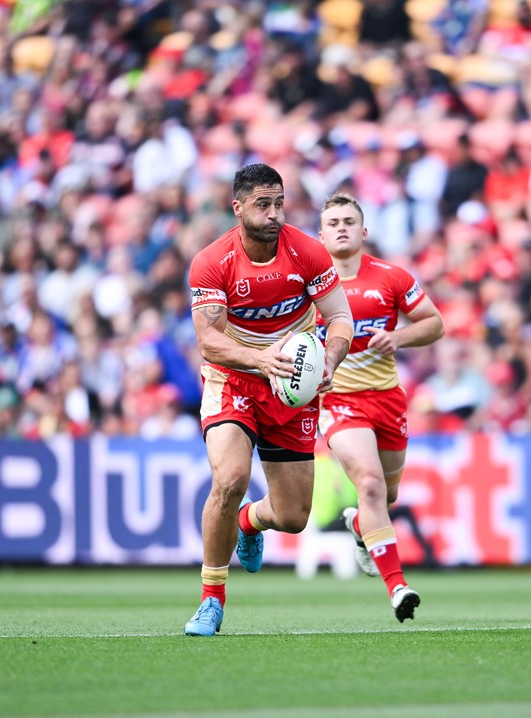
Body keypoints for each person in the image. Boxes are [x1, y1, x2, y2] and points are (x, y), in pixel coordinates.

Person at [183, 164, 354, 637]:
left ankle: (249, 522)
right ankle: (212, 600)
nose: (274, 213)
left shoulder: (308, 252)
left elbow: (340, 317)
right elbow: (208, 341)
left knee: (295, 517)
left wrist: (332, 361)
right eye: (263, 204)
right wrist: (260, 359)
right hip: (233, 381)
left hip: (291, 388)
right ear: (237, 207)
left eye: (279, 202)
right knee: (231, 476)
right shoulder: (213, 261)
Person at [316, 193, 444, 622]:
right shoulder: (306, 288)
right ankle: (398, 587)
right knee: (369, 484)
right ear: (320, 234)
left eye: (349, 221)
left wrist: (400, 338)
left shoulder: (391, 277)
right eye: (332, 222)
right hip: (338, 401)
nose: (341, 227)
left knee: (384, 497)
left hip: (387, 398)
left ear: (364, 230)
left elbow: (434, 322)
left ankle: (359, 527)